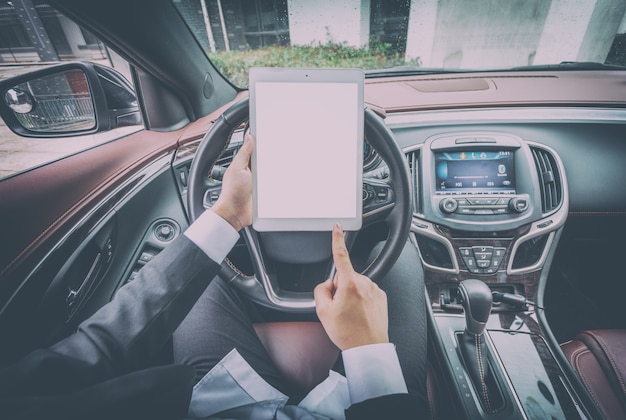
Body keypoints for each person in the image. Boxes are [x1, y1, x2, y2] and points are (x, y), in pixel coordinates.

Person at [0, 134, 427, 419]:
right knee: (399, 253)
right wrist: (369, 349)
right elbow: (100, 346)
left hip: (224, 406)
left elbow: (99, 350)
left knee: (212, 274)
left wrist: (228, 216)